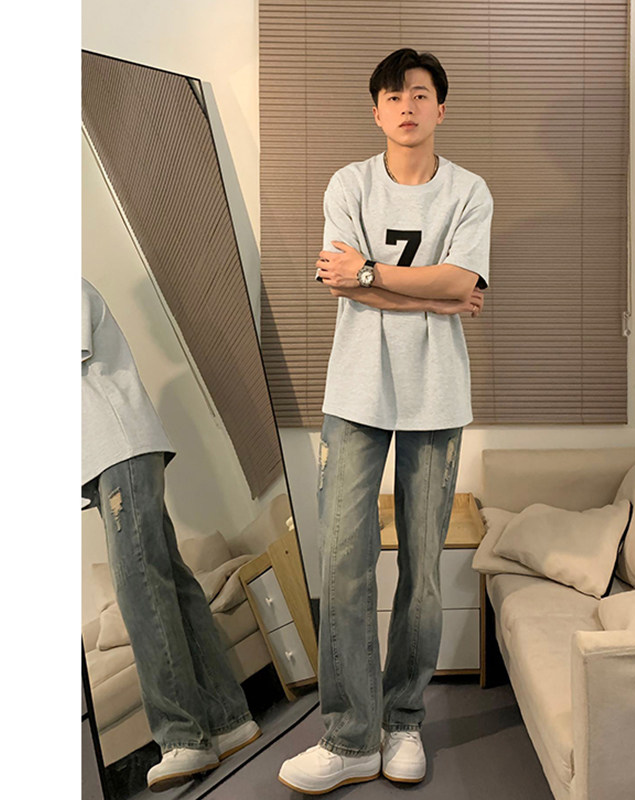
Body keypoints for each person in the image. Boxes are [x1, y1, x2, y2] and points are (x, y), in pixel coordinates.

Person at [278, 48, 492, 794]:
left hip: (438, 395)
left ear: (441, 109)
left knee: (421, 570)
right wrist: (435, 297)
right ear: (376, 111)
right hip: (356, 393)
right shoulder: (350, 184)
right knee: (343, 560)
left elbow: (451, 279)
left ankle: (403, 723)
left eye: (421, 94)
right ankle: (348, 738)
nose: (407, 106)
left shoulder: (468, 190)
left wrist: (373, 273)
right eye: (394, 96)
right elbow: (348, 284)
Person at [81, 278, 261, 792]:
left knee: (140, 590)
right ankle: (228, 720)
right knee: (172, 584)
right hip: (112, 457)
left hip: (119, 450)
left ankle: (183, 735)